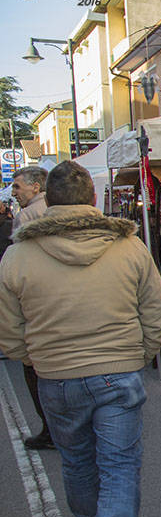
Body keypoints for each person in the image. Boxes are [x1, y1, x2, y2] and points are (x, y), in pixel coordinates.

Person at [0, 161, 161, 517]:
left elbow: (9, 329)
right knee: (117, 471)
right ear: (93, 200)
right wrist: (135, 355)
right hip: (116, 372)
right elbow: (158, 312)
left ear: (49, 200)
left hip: (56, 377)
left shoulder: (18, 256)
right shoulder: (128, 246)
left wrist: (35, 360)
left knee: (78, 463)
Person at [10, 166, 51, 448]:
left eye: (17, 187)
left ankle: (51, 430)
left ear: (36, 187)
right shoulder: (53, 206)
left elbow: (17, 265)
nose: (14, 192)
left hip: (37, 300)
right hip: (59, 298)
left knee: (35, 368)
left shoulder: (26, 216)